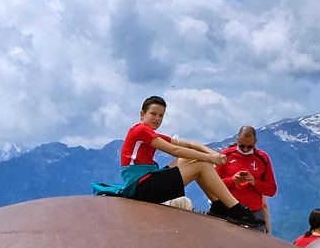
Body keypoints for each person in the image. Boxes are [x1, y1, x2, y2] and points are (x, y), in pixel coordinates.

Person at [91, 96, 258, 225]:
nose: (157, 118)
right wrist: (210, 158)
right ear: (142, 114)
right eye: (153, 114)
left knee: (191, 160)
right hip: (142, 188)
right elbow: (174, 150)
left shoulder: (148, 132)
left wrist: (215, 154)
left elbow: (190, 144)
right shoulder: (140, 130)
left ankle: (218, 205)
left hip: (146, 183)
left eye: (161, 115)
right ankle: (236, 210)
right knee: (201, 165)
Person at [217, 126, 278, 232]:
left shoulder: (263, 158)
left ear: (255, 142)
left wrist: (255, 183)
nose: (245, 149)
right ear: (237, 140)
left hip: (254, 213)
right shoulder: (225, 155)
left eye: (249, 147)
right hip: (228, 210)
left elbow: (272, 190)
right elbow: (213, 185)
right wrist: (232, 180)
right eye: (241, 146)